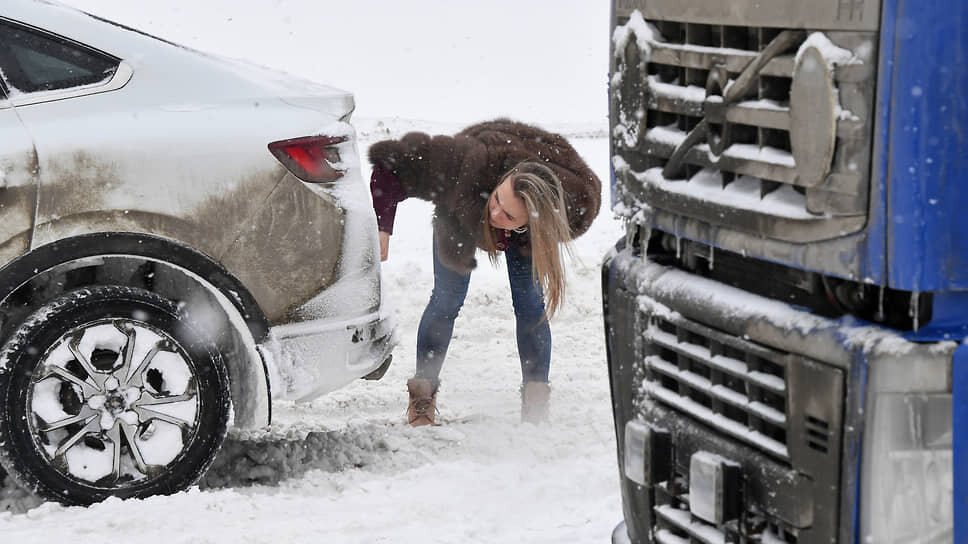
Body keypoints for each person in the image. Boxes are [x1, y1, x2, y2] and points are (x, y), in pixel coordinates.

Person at [368, 119, 601, 426]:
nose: (495, 214)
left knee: (530, 303)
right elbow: (391, 164)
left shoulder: (572, 206)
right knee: (446, 300)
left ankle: (535, 406)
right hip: (463, 204)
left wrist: (519, 226)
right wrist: (382, 226)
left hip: (531, 220)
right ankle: (422, 399)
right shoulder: (463, 164)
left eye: (507, 215)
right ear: (503, 181)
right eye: (497, 201)